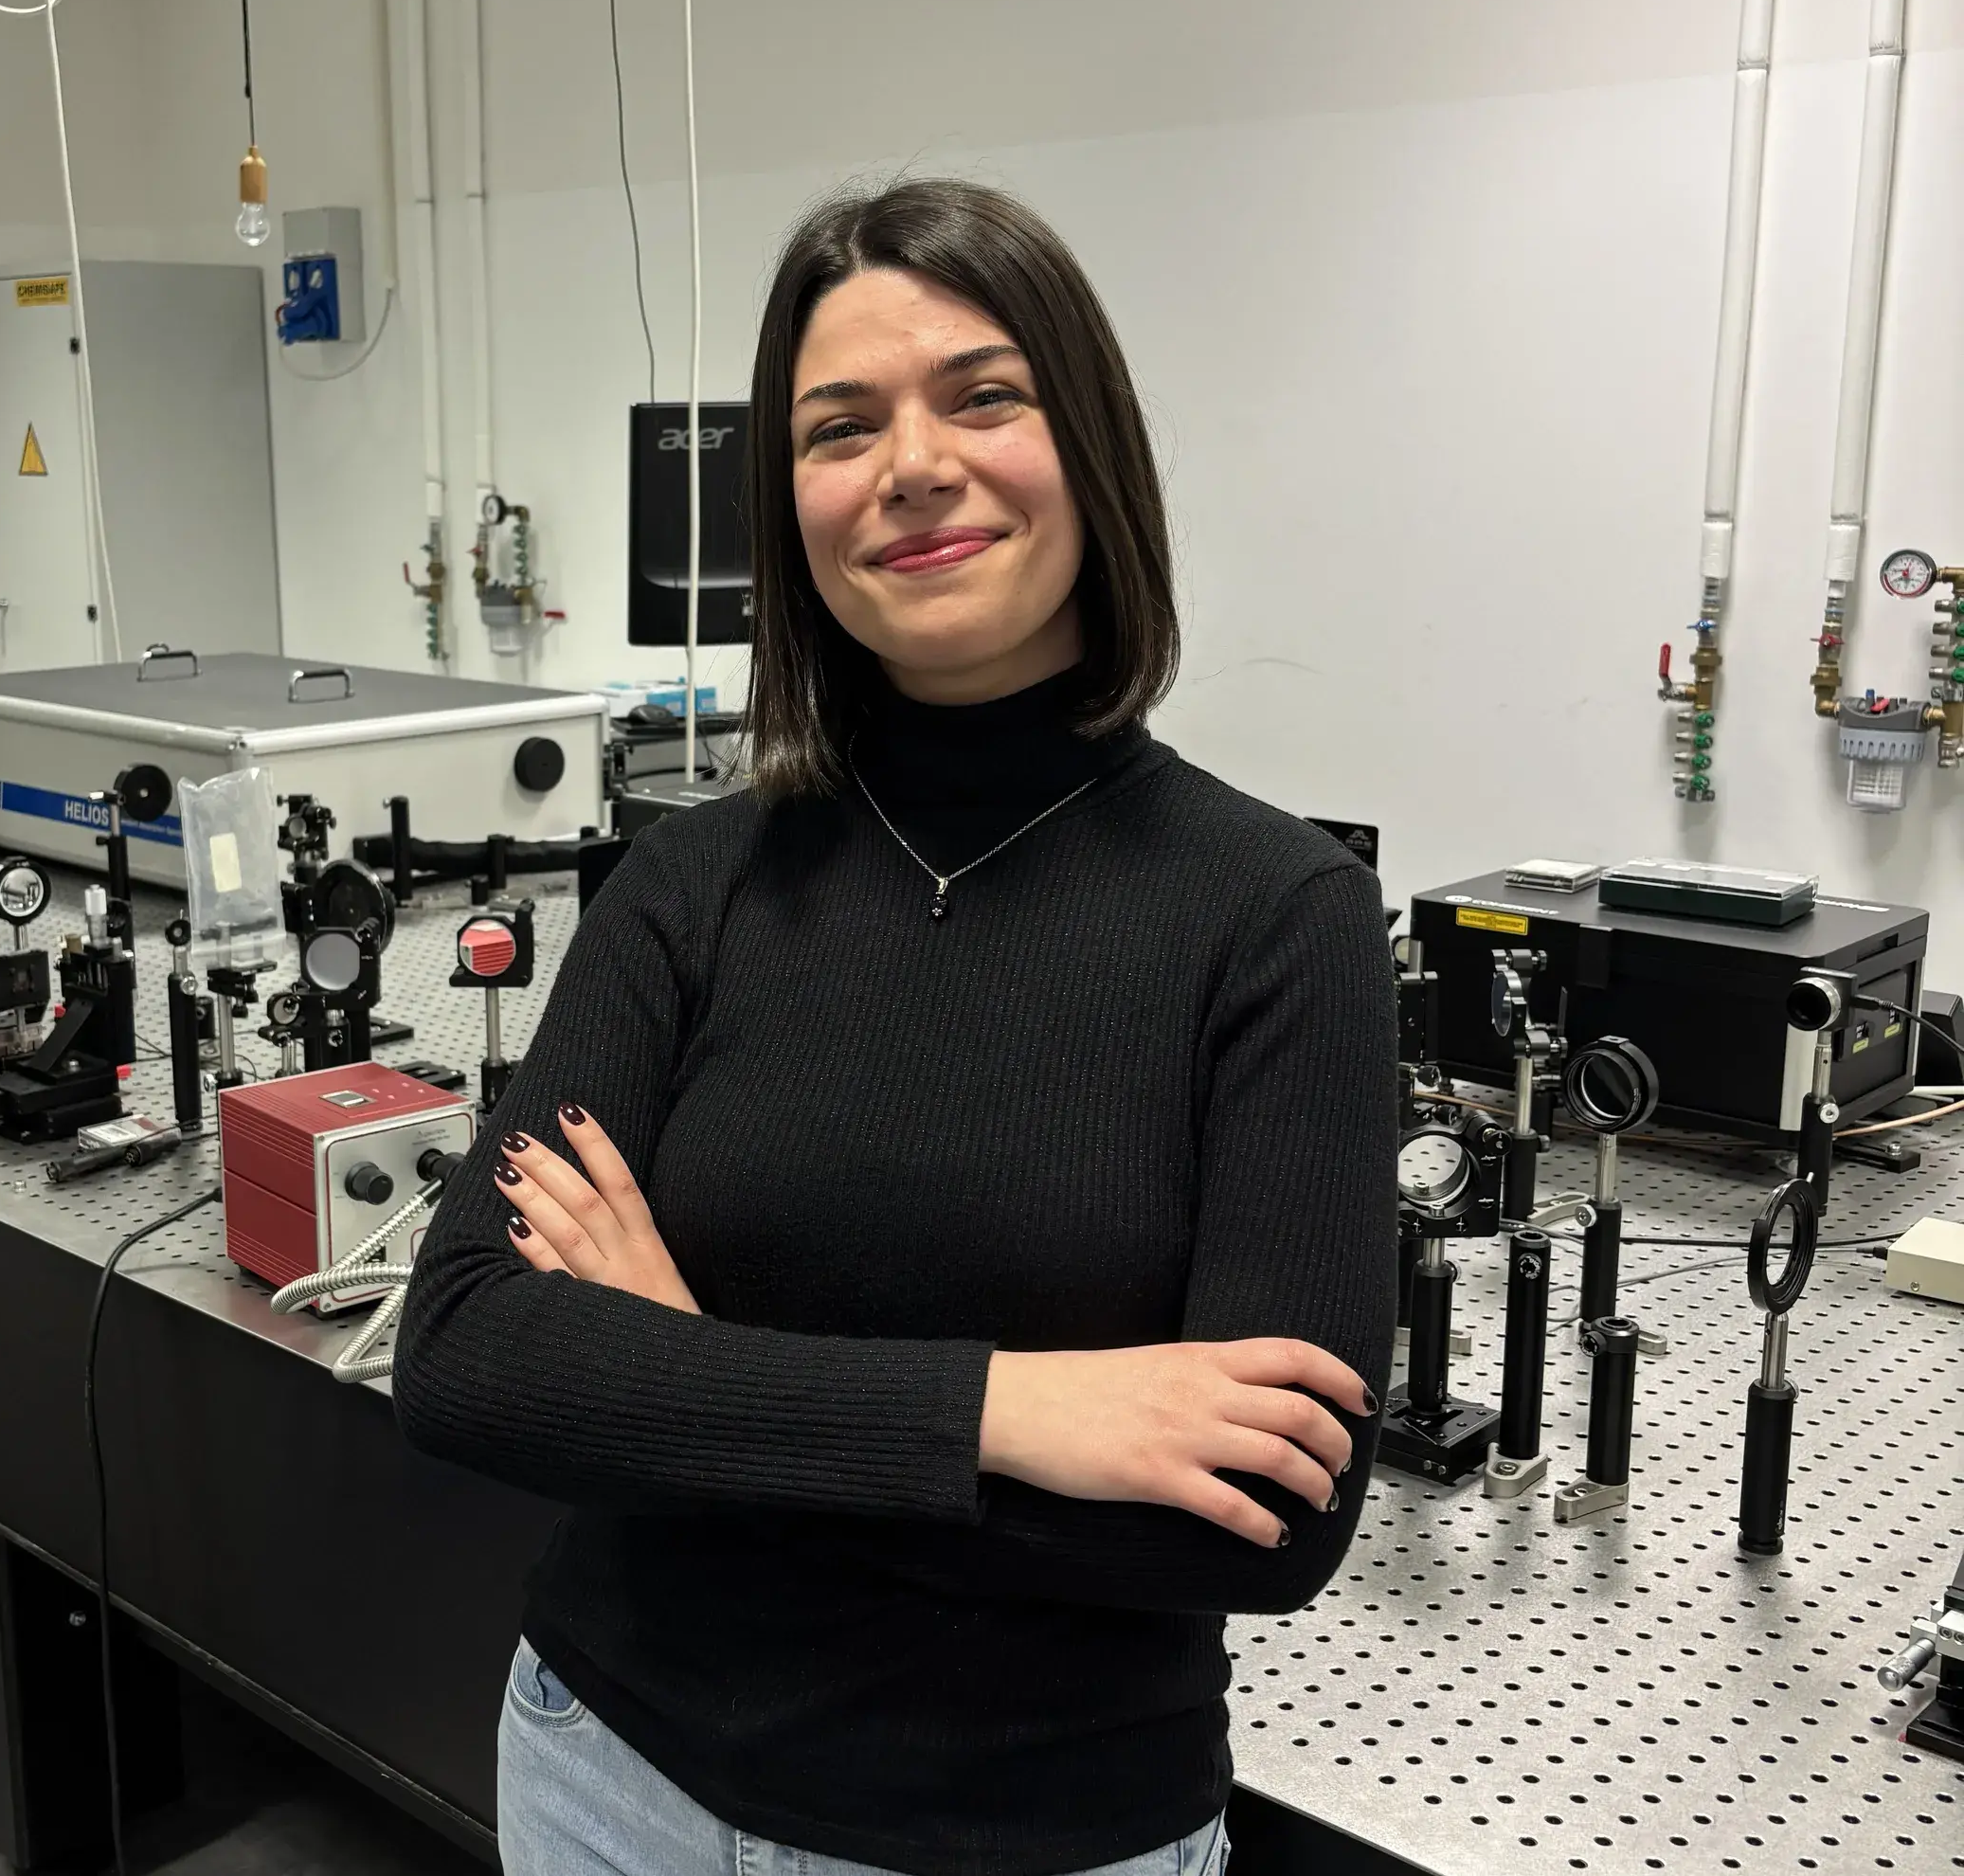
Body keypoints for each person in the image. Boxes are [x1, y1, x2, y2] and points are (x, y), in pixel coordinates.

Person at [395, 176, 1397, 1876]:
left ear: (1090, 442)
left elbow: (1265, 1528)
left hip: (1029, 1833)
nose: (912, 465)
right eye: (840, 426)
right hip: (602, 1771)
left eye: (982, 396)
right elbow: (470, 1352)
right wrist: (1011, 1413)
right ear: (791, 507)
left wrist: (678, 1368)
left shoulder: (1275, 917)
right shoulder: (695, 879)